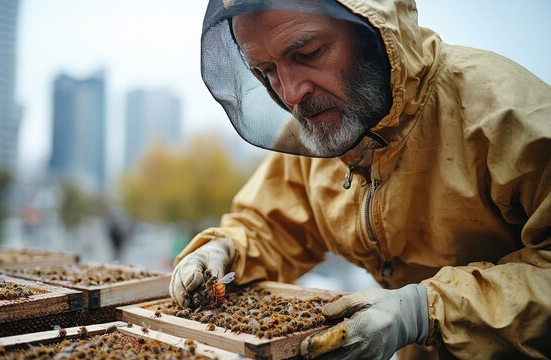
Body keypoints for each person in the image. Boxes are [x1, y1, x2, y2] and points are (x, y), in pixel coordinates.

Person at [169, 0, 551, 359]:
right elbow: (273, 227)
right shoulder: (320, 129)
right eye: (266, 71)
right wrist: (225, 249)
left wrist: (428, 310)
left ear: (371, 30)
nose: (291, 94)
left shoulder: (510, 114)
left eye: (308, 53)